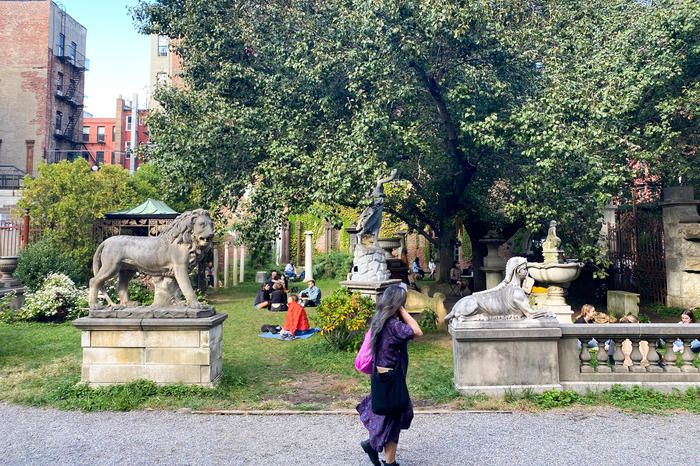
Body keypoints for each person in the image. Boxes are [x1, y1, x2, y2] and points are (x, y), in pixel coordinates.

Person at [357, 285, 423, 466]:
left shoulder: (379, 320)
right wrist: (402, 310)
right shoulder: (394, 325)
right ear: (397, 304)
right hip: (391, 378)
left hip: (381, 375)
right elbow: (417, 331)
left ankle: (380, 452)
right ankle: (383, 456)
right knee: (394, 417)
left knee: (390, 418)